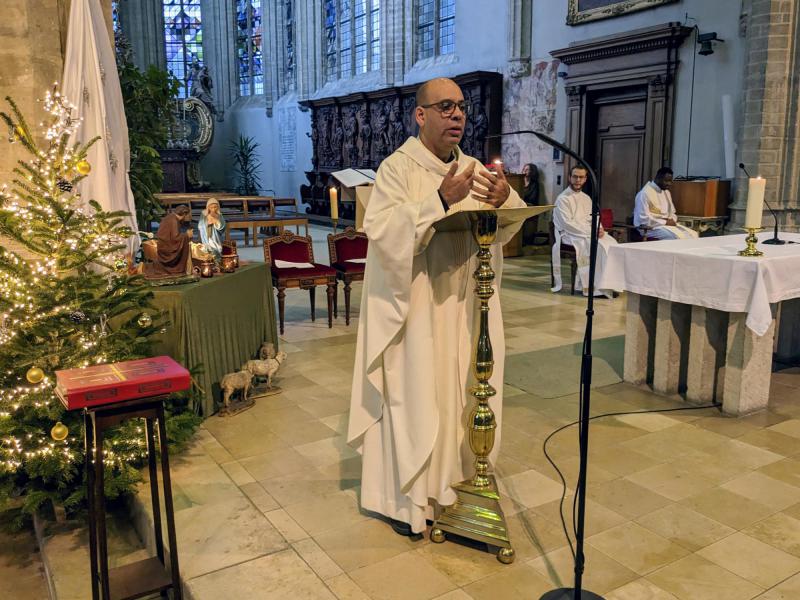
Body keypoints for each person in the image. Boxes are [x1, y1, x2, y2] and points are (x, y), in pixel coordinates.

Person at [347, 77, 526, 537]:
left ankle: (458, 480)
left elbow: (507, 223)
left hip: (468, 303)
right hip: (420, 307)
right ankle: (412, 497)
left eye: (462, 107)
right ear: (420, 115)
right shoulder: (397, 168)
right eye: (445, 107)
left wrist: (506, 199)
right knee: (421, 398)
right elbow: (382, 234)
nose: (457, 115)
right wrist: (440, 200)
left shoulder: (472, 167)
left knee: (464, 390)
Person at [551, 165, 619, 298]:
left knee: (611, 243)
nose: (578, 180)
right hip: (569, 234)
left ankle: (608, 285)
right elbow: (567, 224)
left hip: (585, 232)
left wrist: (599, 229)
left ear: (585, 179)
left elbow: (592, 217)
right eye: (575, 176)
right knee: (597, 246)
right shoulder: (563, 199)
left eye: (581, 177)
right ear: (569, 177)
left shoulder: (586, 198)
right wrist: (590, 232)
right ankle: (592, 287)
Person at [634, 167, 698, 240]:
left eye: (671, 181)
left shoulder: (667, 192)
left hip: (665, 225)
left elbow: (672, 212)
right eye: (666, 181)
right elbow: (643, 219)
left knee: (694, 235)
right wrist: (665, 222)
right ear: (658, 178)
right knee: (675, 237)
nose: (669, 184)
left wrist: (672, 220)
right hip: (649, 228)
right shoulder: (644, 194)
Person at [144, 205, 193, 278]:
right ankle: (177, 270)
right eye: (187, 216)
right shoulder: (174, 221)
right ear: (184, 215)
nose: (187, 218)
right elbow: (176, 239)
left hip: (165, 245)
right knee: (186, 243)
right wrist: (187, 235)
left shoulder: (171, 217)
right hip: (167, 248)